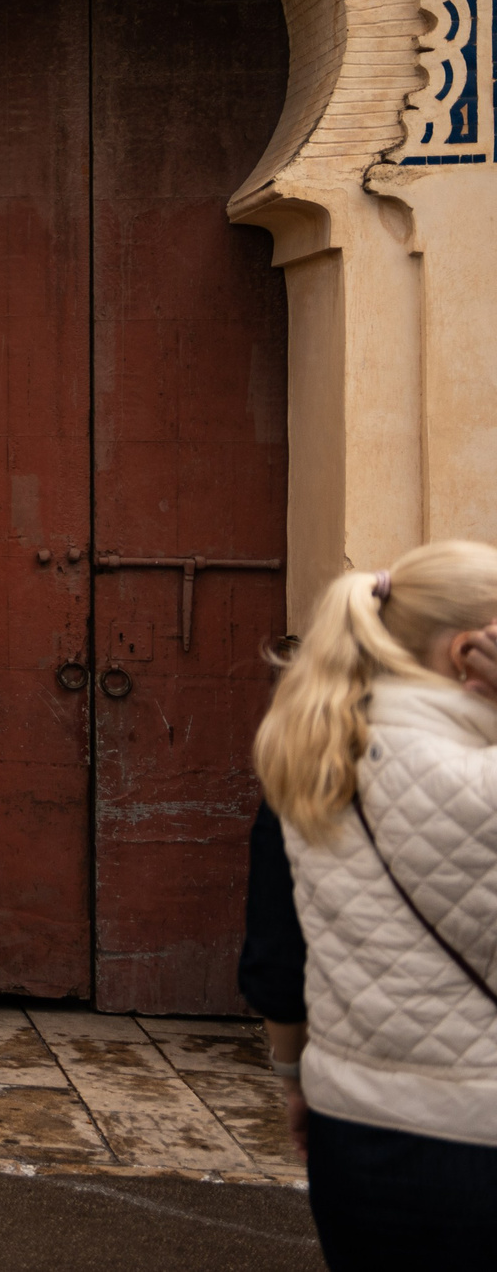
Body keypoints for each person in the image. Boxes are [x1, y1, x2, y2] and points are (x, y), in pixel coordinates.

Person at [251, 540, 497, 1264]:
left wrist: (295, 1080)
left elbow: (277, 958)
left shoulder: (312, 764)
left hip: (350, 1132)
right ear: (467, 651)